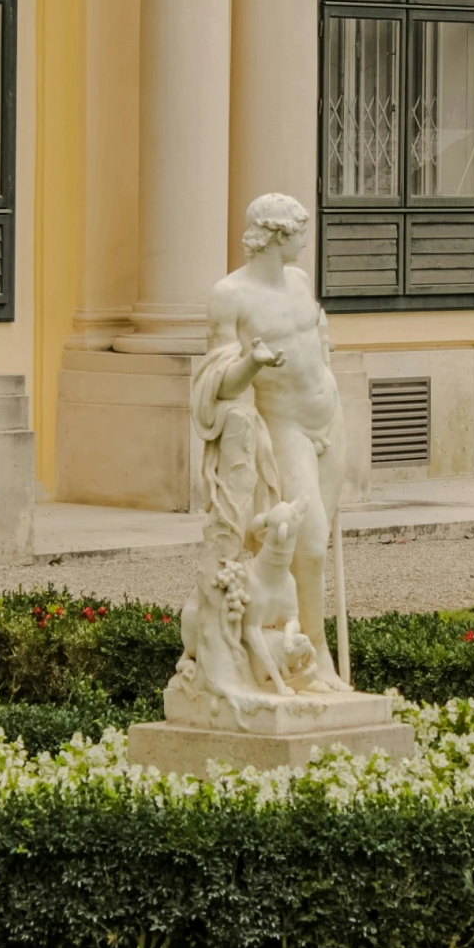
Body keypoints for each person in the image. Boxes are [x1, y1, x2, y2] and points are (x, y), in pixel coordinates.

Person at [187, 193, 347, 697]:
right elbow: (219, 383)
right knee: (309, 542)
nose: (306, 239)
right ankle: (315, 656)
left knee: (319, 542)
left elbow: (317, 340)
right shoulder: (229, 295)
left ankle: (301, 649)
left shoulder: (299, 282)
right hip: (287, 427)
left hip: (329, 416)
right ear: (277, 235)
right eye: (300, 231)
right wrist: (253, 362)